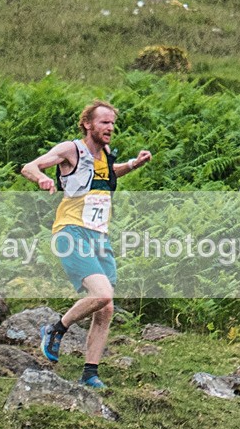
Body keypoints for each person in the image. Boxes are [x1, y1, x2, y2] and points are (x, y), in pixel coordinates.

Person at [21, 100, 152, 388]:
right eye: (104, 122)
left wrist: (133, 164)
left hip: (99, 236)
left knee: (106, 308)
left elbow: (107, 174)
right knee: (102, 295)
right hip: (71, 232)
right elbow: (30, 166)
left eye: (112, 123)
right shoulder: (71, 150)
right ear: (87, 124)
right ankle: (55, 329)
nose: (110, 128)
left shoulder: (105, 154)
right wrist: (42, 178)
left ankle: (90, 373)